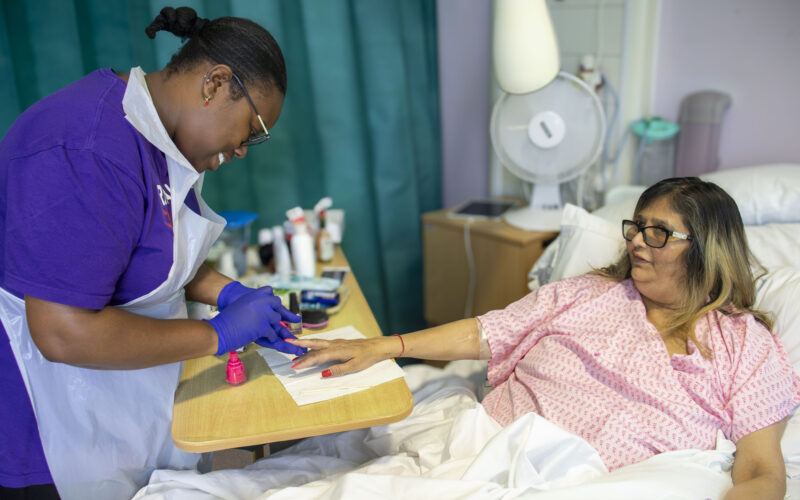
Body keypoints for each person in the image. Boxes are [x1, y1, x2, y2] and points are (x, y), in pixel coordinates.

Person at [290, 177, 800, 500]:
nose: (636, 242)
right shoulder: (589, 293)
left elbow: (760, 469)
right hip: (489, 444)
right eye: (635, 227)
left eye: (658, 233)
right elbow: (485, 332)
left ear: (708, 249)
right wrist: (382, 346)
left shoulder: (742, 344)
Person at [0, 6, 305, 499]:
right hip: (39, 431)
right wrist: (217, 333)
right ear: (215, 84)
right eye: (250, 130)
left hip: (114, 409)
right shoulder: (87, 149)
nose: (244, 149)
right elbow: (61, 332)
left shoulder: (159, 140)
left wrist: (228, 292)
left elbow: (149, 256)